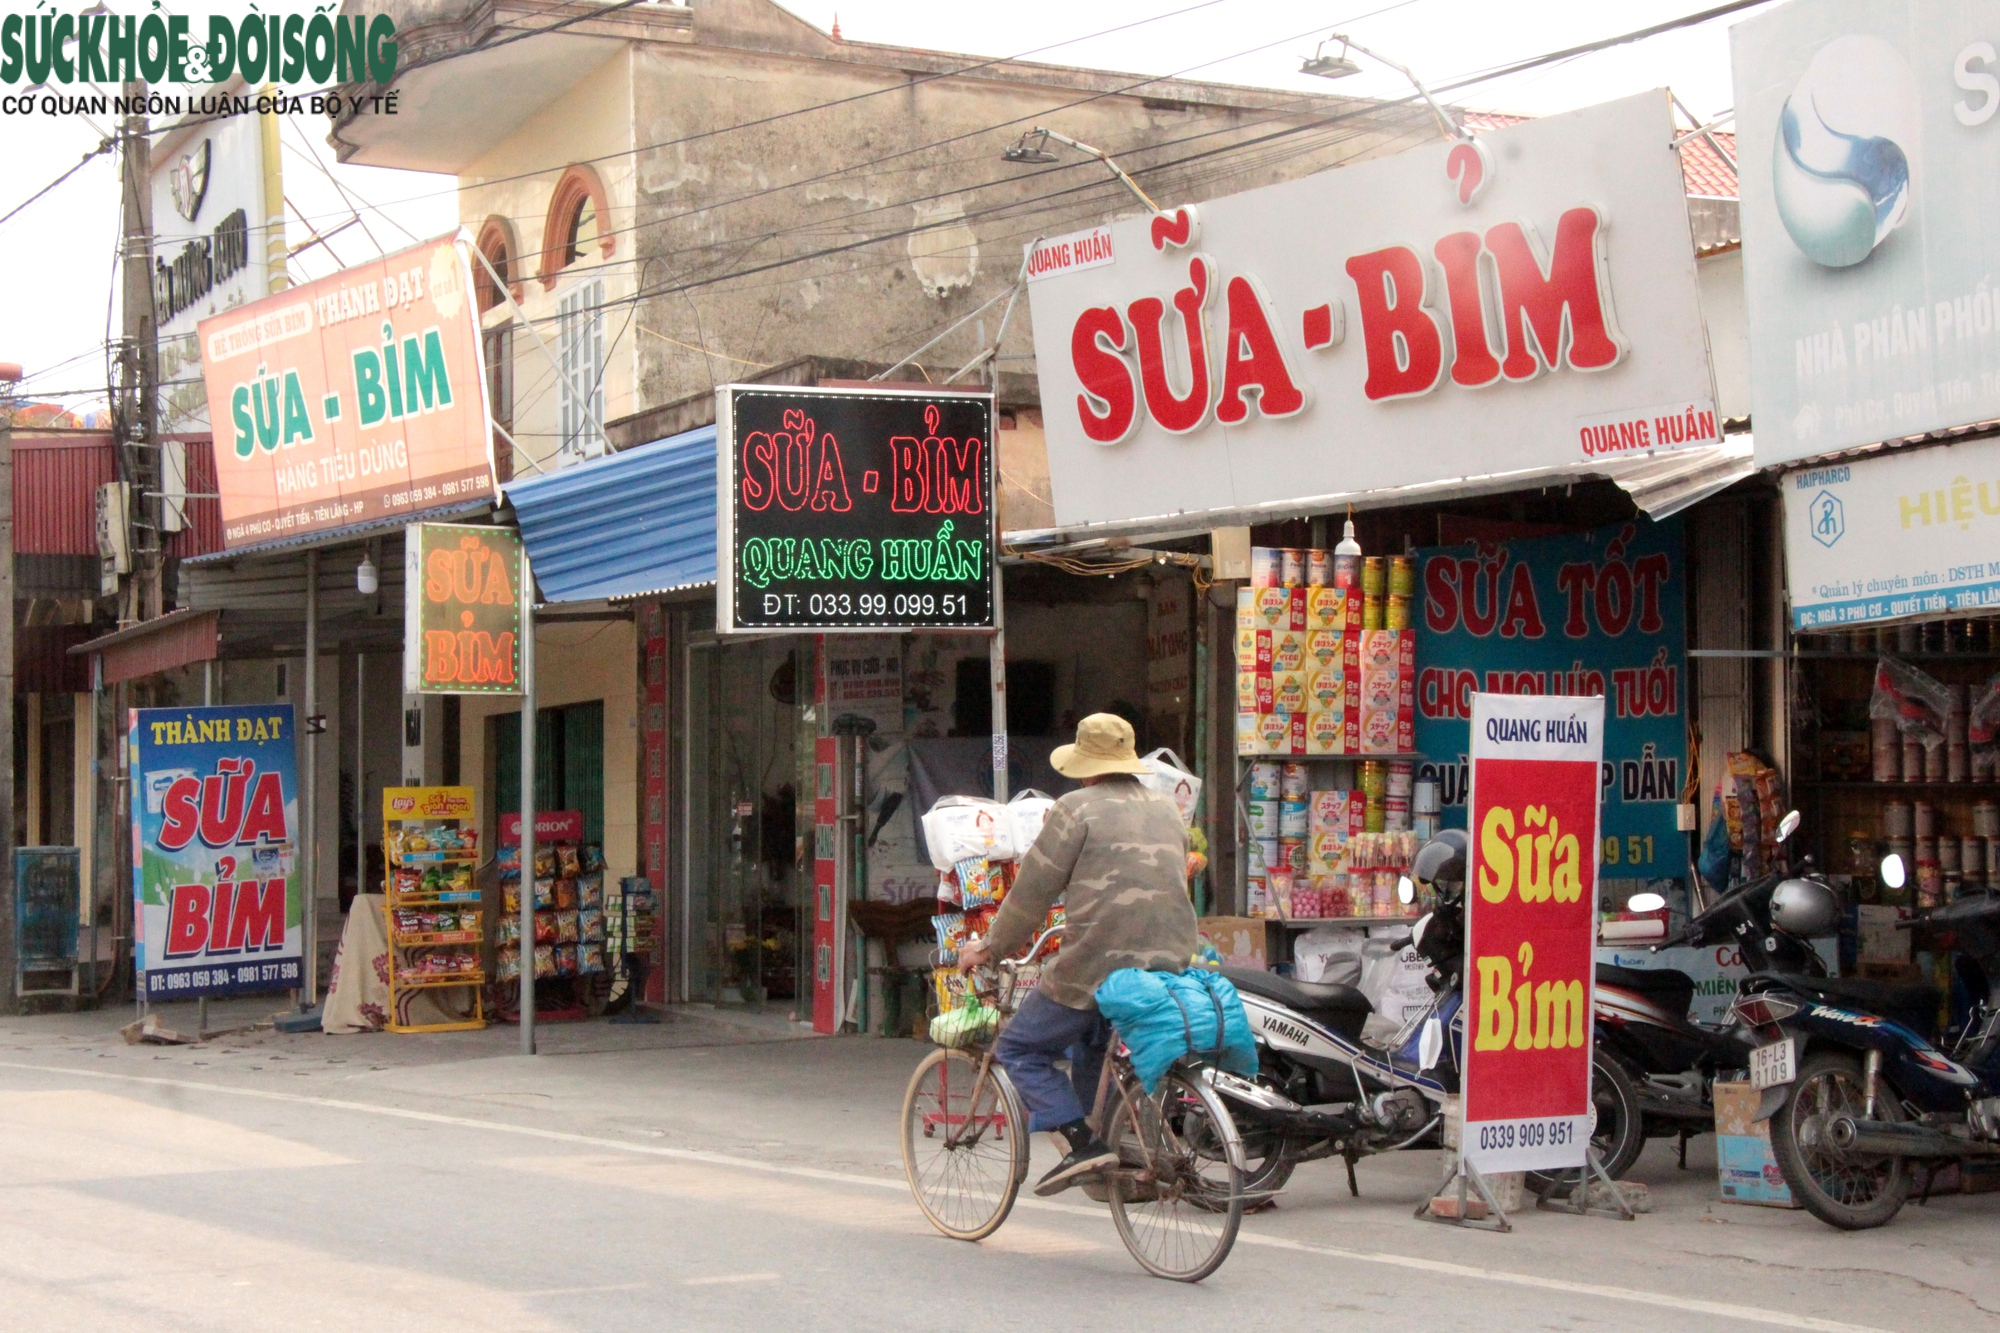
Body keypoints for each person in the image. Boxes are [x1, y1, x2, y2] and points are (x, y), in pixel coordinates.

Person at [957, 712, 1198, 1196]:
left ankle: (1081, 1142)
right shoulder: (1166, 809)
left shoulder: (1075, 808)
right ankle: (1115, 1159)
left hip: (1097, 962)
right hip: (1170, 959)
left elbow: (1031, 893)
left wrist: (988, 947)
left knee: (1019, 1047)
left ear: (1086, 764)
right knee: (1092, 1046)